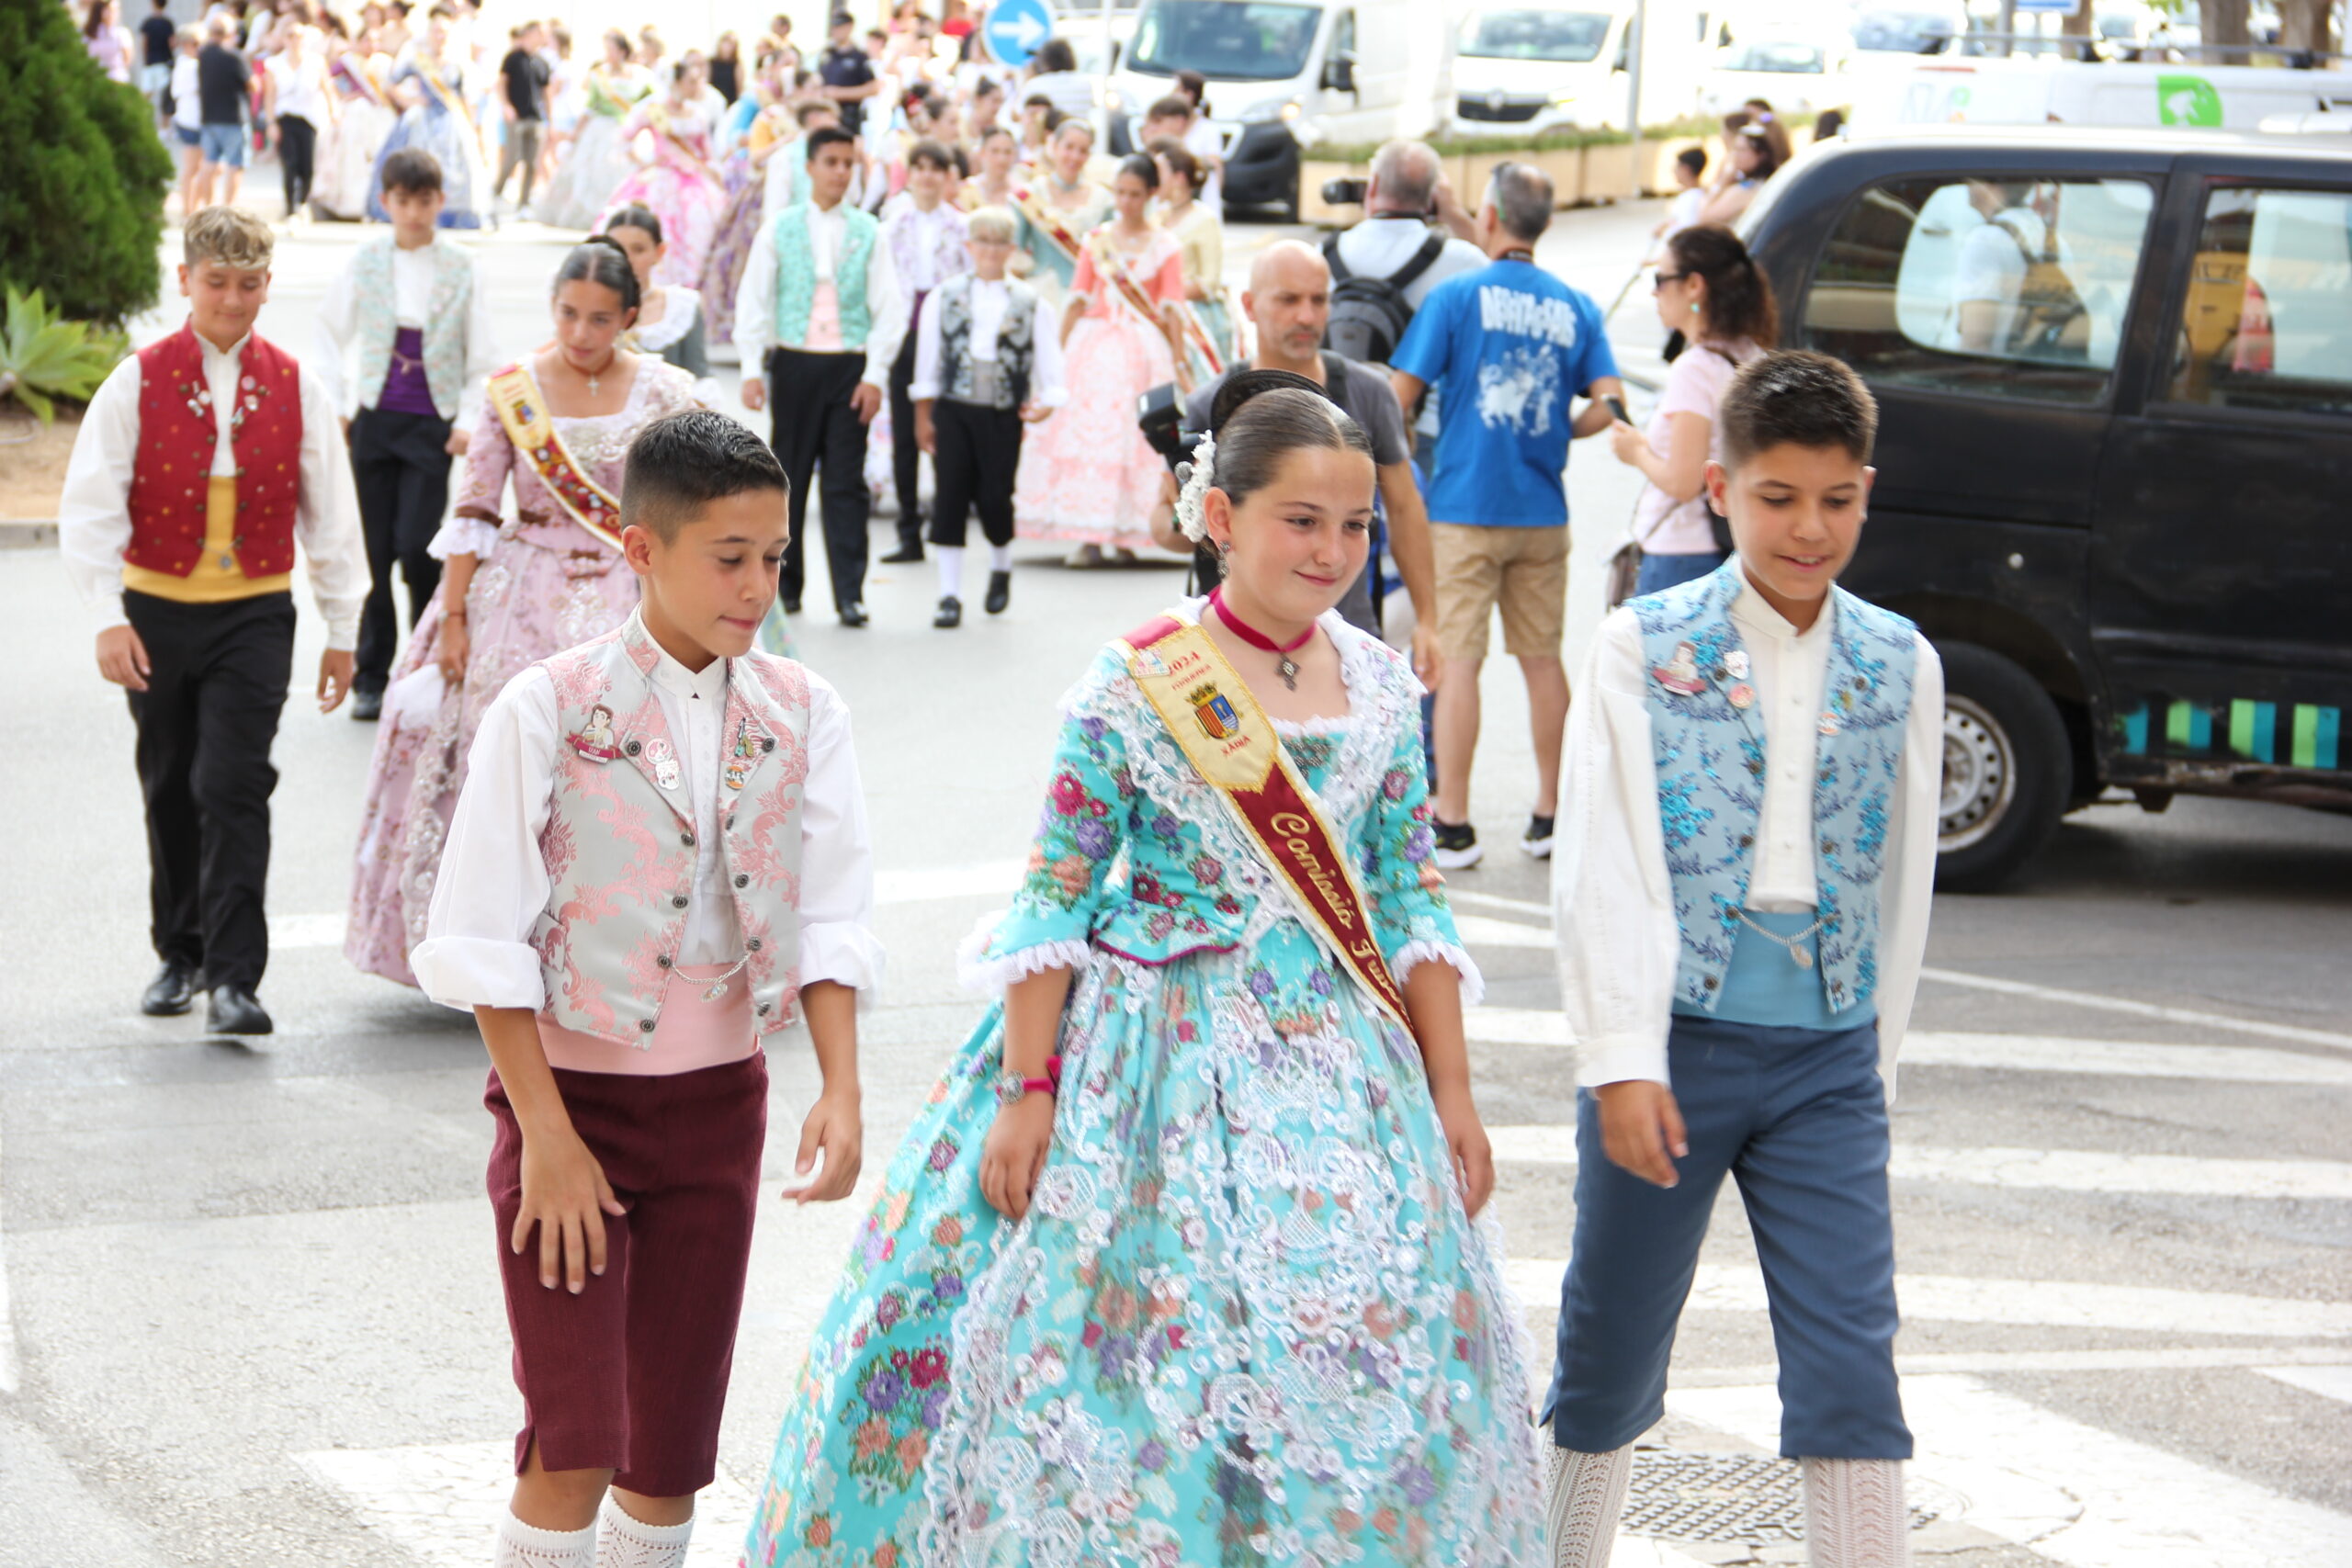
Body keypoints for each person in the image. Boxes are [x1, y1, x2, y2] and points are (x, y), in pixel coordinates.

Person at [739, 379, 1543, 1567]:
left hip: (1344, 1073)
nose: (1332, 549)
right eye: (1301, 520)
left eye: (1357, 525)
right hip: (1144, 1067)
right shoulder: (1136, 678)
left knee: (1357, 1353)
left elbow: (1411, 894)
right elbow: (1056, 894)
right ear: (1219, 513)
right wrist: (1027, 1090)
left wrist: (1454, 1090)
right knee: (1128, 1353)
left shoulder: (1379, 685)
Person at [415, 411, 877, 1568]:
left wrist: (841, 1086)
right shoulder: (550, 706)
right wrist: (549, 1138)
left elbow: (829, 909)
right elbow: (479, 937)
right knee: (572, 1441)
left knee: (668, 1463)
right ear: (641, 551)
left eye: (773, 556)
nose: (756, 584)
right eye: (728, 557)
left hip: (718, 1115)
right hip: (570, 1114)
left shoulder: (804, 709)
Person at [1543, 350, 1942, 1568]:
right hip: (1666, 1048)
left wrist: (1876, 1062)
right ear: (1718, 488)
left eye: (1835, 498)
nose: (1808, 527)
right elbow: (1597, 859)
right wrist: (1618, 1056)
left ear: (1868, 491)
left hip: (1828, 1058)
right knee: (1609, 1348)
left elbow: (1903, 883)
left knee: (1850, 1361)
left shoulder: (1903, 659)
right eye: (1777, 496)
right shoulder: (1637, 643)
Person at [344, 241, 704, 989]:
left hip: (629, 587)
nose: (579, 333)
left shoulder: (668, 393)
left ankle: (626, 940)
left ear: (630, 317)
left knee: (634, 763)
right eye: (568, 314)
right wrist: (452, 618)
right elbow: (474, 509)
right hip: (520, 589)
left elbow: (700, 500)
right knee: (498, 753)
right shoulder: (514, 391)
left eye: (599, 319)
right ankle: (493, 944)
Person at [58, 206, 367, 1036]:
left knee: (232, 784)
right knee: (169, 783)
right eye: (217, 282)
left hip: (254, 615)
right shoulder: (138, 378)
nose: (233, 299)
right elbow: (89, 504)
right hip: (156, 610)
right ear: (186, 280)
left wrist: (342, 629)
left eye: (250, 283)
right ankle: (180, 952)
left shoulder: (298, 382)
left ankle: (236, 978)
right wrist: (105, 615)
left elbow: (331, 516)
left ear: (269, 285)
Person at [1389, 162, 1623, 869]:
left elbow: (1399, 392)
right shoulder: (1576, 305)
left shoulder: (1457, 297)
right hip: (1541, 511)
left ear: (1487, 214)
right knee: (1542, 660)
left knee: (1457, 662)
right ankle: (1549, 814)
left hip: (1461, 505)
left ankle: (1453, 823)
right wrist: (1558, 431)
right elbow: (1610, 403)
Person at [1151, 240, 1441, 674]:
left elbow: (1404, 508)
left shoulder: (1369, 393)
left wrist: (1430, 621)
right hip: (1232, 647)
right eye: (1288, 300)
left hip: (1347, 634)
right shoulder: (1208, 406)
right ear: (1249, 305)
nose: (1306, 316)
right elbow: (1163, 526)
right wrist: (1196, 515)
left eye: (1318, 300)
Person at [313, 147, 500, 722]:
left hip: (430, 422)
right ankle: (372, 673)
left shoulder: (462, 267)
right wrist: (340, 402)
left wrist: (467, 418)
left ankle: (427, 661)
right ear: (384, 202)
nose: (413, 212)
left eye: (424, 201)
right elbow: (327, 330)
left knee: (420, 546)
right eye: (402, 200)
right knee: (371, 549)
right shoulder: (366, 262)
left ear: (440, 202)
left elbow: (482, 351)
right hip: (374, 418)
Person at [732, 125, 910, 627]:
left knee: (845, 482)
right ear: (809, 166)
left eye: (847, 163)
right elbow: (754, 299)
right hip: (795, 362)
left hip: (848, 367)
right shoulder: (780, 228)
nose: (839, 172)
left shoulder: (868, 231)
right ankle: (786, 587)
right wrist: (751, 367)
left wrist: (874, 374)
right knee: (787, 479)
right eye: (830, 161)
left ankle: (850, 593)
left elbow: (889, 309)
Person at [1014, 152, 1186, 563]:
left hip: (1143, 351)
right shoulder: (1097, 240)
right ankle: (1089, 535)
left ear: (1150, 194)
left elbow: (1173, 309)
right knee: (1088, 434)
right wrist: (1055, 355)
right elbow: (1077, 299)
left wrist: (1180, 362)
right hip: (1093, 348)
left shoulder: (1165, 245)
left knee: (1134, 439)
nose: (1126, 202)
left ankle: (1125, 534)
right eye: (1121, 193)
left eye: (1135, 194)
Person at [909, 205, 1065, 626]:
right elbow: (928, 361)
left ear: (1011, 249)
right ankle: (949, 593)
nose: (991, 251)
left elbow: (1048, 359)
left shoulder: (1031, 302)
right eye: (983, 243)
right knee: (950, 495)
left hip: (1001, 411)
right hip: (955, 409)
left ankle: (1000, 564)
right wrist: (924, 414)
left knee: (996, 495)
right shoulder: (945, 296)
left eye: (1000, 243)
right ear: (969, 247)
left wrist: (1048, 397)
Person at [1613, 223, 1778, 596]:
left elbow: (1683, 482)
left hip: (1681, 554)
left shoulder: (1696, 368)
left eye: (1661, 278)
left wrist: (1635, 451)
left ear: (1693, 286)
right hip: (1734, 548)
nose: (1655, 291)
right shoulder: (1753, 356)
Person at [1329, 140, 1488, 458]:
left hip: (1338, 423)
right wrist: (1454, 213)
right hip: (1422, 428)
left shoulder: (1328, 252)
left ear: (1373, 185)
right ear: (1431, 197)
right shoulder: (1460, 259)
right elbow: (1501, 275)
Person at [876, 138, 969, 566]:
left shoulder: (962, 226)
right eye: (921, 167)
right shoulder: (894, 225)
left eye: (937, 167)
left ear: (948, 176)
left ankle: (945, 523)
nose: (928, 176)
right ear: (910, 174)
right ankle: (908, 528)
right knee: (903, 436)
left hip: (947, 334)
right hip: (905, 332)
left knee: (946, 428)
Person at [594, 53, 728, 288]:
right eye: (691, 81)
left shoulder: (697, 113)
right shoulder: (653, 109)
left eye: (698, 81)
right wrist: (644, 163)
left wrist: (712, 171)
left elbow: (706, 151)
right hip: (661, 180)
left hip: (694, 182)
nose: (697, 87)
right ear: (676, 82)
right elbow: (624, 137)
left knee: (700, 229)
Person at [368, 6, 490, 229]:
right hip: (421, 120)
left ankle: (452, 213)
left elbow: (464, 99)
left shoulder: (457, 64)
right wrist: (409, 102)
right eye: (436, 31)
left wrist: (474, 129)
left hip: (451, 121)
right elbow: (390, 84)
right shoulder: (418, 60)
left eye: (444, 32)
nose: (440, 36)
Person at [534, 30, 650, 231]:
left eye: (612, 49)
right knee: (591, 174)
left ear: (622, 51)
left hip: (625, 130)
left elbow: (650, 102)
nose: (608, 53)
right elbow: (590, 107)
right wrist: (575, 135)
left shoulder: (640, 76)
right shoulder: (599, 75)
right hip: (599, 129)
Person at [603, 206, 718, 404]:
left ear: (659, 252)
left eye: (638, 249)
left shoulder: (681, 306)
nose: (627, 260)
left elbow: (699, 377)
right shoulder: (586, 304)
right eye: (617, 249)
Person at [1148, 138, 1233, 385]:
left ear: (1179, 178)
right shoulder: (1157, 217)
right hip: (1159, 315)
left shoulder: (1204, 219)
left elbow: (1210, 283)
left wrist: (1166, 293)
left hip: (1195, 320)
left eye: (1160, 173)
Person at [264, 20, 333, 222]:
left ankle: (302, 201)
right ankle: (290, 206)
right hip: (285, 117)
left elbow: (327, 87)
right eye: (290, 36)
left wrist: (333, 110)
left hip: (308, 118)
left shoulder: (316, 62)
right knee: (290, 163)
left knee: (307, 166)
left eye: (299, 36)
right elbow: (270, 95)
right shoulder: (275, 64)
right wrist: (270, 122)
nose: (295, 41)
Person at [494, 19, 551, 217]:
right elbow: (501, 83)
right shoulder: (513, 58)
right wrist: (506, 106)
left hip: (535, 117)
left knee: (532, 162)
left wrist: (549, 118)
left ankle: (524, 202)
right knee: (512, 157)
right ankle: (496, 192)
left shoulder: (542, 62)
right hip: (517, 116)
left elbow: (546, 92)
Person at [195, 17, 252, 210]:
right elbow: (251, 84)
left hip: (209, 116)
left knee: (209, 163)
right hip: (233, 117)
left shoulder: (203, 55)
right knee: (235, 164)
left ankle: (208, 207)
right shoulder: (234, 56)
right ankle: (230, 208)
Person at [1697, 123, 1782, 229]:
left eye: (1742, 150)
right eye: (1735, 149)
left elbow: (1704, 217)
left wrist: (1722, 182)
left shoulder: (1747, 189)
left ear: (1761, 155)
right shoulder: (1770, 180)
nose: (1735, 155)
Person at [817, 10, 878, 140]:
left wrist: (841, 93)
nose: (835, 31)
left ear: (849, 27)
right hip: (825, 112)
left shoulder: (859, 56)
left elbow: (873, 87)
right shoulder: (827, 54)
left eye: (839, 27)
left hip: (849, 115)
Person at [169, 25, 209, 214]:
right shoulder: (187, 65)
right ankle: (188, 209)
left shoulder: (192, 63)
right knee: (192, 168)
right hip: (191, 120)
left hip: (200, 119)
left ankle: (194, 206)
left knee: (205, 168)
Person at [1021, 34, 1093, 121]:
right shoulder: (1085, 83)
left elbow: (1016, 115)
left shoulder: (1035, 84)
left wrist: (1027, 79)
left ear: (1045, 61)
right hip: (1079, 131)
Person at [1654, 145, 1711, 244]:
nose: (1673, 171)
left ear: (1686, 169)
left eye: (1676, 167)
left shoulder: (1692, 199)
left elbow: (1684, 235)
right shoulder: (1694, 195)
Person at [138, 0, 176, 111]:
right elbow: (172, 43)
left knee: (146, 96)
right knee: (164, 98)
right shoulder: (168, 23)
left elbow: (144, 44)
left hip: (151, 62)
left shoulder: (148, 22)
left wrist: (146, 59)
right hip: (164, 62)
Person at [85, 0, 136, 83]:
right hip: (96, 80)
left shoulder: (121, 33)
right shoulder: (90, 33)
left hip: (117, 79)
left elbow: (128, 59)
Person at [708, 28, 742, 103]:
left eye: (732, 44)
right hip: (713, 102)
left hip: (730, 102)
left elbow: (739, 90)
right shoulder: (710, 62)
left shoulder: (737, 64)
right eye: (726, 43)